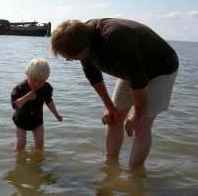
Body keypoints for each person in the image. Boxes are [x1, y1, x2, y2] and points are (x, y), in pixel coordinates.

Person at [50, 18, 179, 167]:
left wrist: (138, 114)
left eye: (70, 59)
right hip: (130, 71)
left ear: (84, 50)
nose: (69, 60)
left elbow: (139, 82)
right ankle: (110, 166)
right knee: (113, 118)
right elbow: (94, 77)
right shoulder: (80, 39)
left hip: (161, 69)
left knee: (141, 126)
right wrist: (109, 106)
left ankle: (134, 173)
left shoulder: (116, 37)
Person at [11, 58, 63, 149]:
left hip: (37, 119)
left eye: (41, 81)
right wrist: (27, 97)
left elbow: (49, 101)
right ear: (28, 74)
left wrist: (56, 114)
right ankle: (18, 157)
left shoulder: (46, 87)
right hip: (21, 119)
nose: (36, 84)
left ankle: (39, 160)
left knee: (40, 143)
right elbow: (15, 105)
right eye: (34, 79)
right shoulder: (20, 88)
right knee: (21, 143)